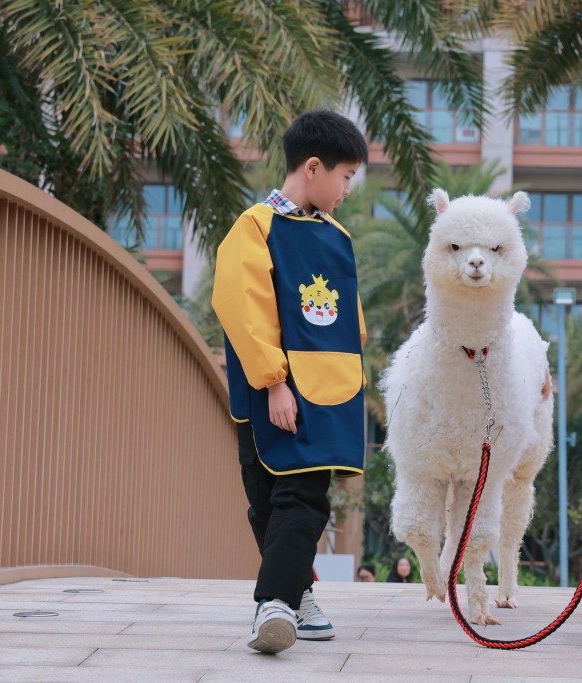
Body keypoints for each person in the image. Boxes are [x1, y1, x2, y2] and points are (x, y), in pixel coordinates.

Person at [212, 110, 369, 655]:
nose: (348, 189)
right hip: (270, 390)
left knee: (303, 495)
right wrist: (276, 382)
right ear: (313, 167)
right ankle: (297, 595)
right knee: (266, 500)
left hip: (327, 391)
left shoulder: (337, 236)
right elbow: (243, 310)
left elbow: (352, 325)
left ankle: (273, 605)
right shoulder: (255, 227)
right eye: (346, 176)